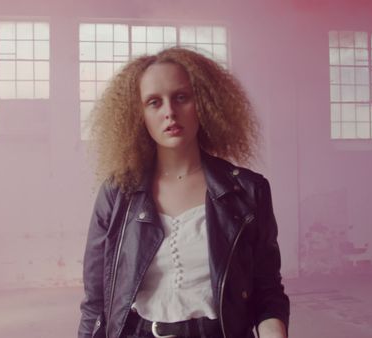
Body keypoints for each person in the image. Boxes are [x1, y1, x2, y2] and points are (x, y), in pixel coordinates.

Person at [78, 47, 290, 338]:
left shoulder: (249, 191)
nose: (170, 112)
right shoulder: (117, 194)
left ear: (203, 103)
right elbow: (95, 304)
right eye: (154, 102)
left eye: (181, 97)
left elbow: (267, 294)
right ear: (137, 115)